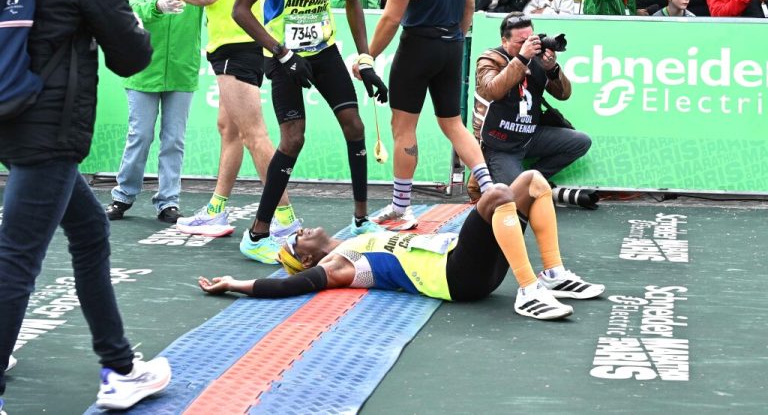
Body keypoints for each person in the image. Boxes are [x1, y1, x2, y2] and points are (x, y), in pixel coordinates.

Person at [0, 0, 171, 411]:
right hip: (48, 122)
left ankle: (119, 364)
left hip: (11, 104)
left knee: (91, 230)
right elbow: (129, 53)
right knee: (17, 258)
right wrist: (141, 29)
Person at [198, 171, 605, 321]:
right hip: (456, 277)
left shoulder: (359, 238)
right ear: (307, 257)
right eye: (298, 239)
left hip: (465, 260)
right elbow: (290, 286)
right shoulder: (340, 265)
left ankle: (552, 275)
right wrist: (237, 283)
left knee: (531, 183)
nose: (303, 230)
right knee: (498, 194)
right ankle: (529, 290)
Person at [231, 0, 389, 260]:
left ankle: (361, 219)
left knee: (355, 126)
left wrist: (365, 59)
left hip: (323, 50)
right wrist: (282, 54)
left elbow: (352, 1)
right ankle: (256, 235)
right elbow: (240, 11)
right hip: (283, 55)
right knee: (293, 139)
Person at [172, 0, 300, 254]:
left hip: (232, 44)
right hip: (253, 43)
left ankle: (286, 220)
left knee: (254, 134)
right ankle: (216, 210)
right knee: (228, 127)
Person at [368, 0, 494, 230]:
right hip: (452, 45)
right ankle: (489, 187)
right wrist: (454, 38)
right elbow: (469, 7)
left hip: (418, 46)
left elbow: (392, 18)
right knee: (452, 123)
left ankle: (402, 207)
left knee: (403, 127)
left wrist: (367, 56)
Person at [104, 0, 203, 223]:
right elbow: (132, 11)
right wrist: (157, 6)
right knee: (141, 135)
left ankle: (168, 201)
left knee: (174, 139)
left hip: (182, 69)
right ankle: (123, 196)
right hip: (143, 69)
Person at [472, 13, 590, 189]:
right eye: (521, 42)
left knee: (581, 142)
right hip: (500, 143)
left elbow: (564, 94)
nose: (527, 45)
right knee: (513, 195)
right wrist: (521, 59)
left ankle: (532, 179)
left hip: (530, 137)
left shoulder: (537, 59)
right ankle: (522, 183)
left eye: (530, 40)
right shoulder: (490, 59)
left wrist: (552, 69)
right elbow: (493, 90)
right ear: (505, 41)